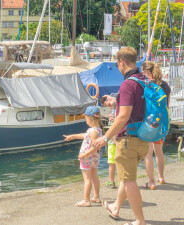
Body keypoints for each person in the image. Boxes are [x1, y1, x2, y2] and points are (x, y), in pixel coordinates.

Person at [93, 47, 149, 225]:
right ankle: (116, 207)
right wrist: (117, 101)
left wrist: (105, 138)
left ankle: (139, 220)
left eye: (117, 63)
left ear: (122, 62)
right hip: (143, 138)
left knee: (129, 180)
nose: (117, 66)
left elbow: (123, 116)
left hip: (128, 141)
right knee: (127, 177)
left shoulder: (127, 84)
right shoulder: (143, 80)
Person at [63, 106, 102, 207]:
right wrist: (72, 136)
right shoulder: (97, 130)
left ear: (90, 118)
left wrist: (84, 154)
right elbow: (83, 135)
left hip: (87, 157)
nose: (86, 120)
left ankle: (86, 200)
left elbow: (95, 146)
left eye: (86, 118)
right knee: (94, 177)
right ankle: (96, 197)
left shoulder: (93, 131)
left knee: (87, 179)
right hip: (95, 157)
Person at [141, 61, 171, 190]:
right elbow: (167, 106)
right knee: (159, 152)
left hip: (148, 122)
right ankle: (161, 177)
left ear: (147, 72)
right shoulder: (165, 86)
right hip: (161, 122)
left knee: (148, 153)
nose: (142, 74)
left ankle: (151, 182)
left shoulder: (146, 85)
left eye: (143, 72)